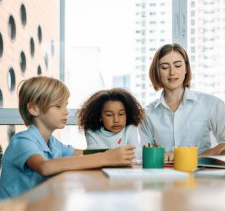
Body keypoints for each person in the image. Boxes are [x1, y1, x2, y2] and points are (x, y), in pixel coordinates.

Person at [0, 77, 135, 199]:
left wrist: (115, 154)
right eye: (58, 106)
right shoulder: (22, 141)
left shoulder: (53, 144)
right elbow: (45, 167)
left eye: (66, 105)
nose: (66, 111)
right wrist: (107, 157)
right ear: (34, 109)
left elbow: (82, 153)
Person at [140, 43, 225, 161]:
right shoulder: (147, 114)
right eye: (164, 67)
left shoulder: (213, 105)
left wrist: (194, 157)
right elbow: (144, 152)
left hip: (202, 174)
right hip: (164, 175)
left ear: (186, 68)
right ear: (157, 72)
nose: (172, 72)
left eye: (178, 65)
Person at [77, 88, 150, 161]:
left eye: (121, 114)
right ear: (100, 116)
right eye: (109, 115)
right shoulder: (91, 132)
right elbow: (95, 158)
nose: (116, 120)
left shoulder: (130, 129)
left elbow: (135, 156)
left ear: (127, 114)